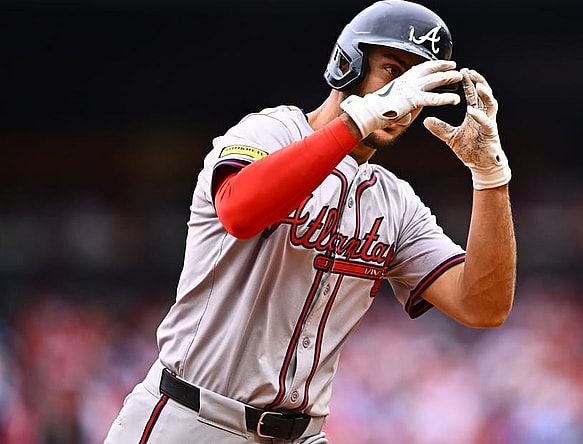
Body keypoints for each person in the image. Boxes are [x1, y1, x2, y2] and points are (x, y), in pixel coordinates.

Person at [103, 1, 516, 443]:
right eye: (393, 71)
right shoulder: (268, 133)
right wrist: (359, 120)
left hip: (303, 434)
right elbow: (240, 212)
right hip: (192, 418)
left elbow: (482, 306)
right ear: (347, 65)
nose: (405, 96)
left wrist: (489, 174)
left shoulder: (395, 203)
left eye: (420, 80)